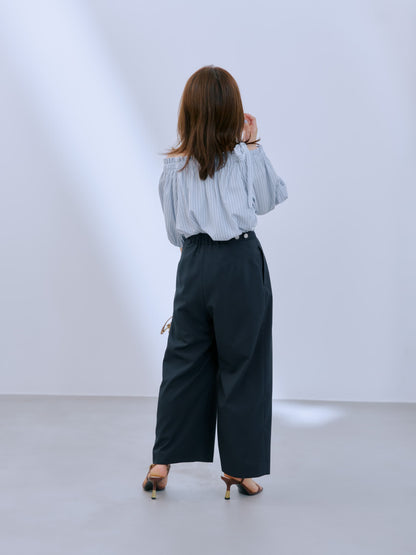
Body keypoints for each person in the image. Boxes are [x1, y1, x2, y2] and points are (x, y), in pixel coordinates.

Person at [142, 65, 288, 500]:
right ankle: (239, 470)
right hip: (239, 263)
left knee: (184, 361)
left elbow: (174, 233)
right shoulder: (242, 158)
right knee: (243, 364)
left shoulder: (174, 166)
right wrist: (253, 144)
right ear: (231, 110)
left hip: (194, 264)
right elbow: (270, 200)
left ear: (188, 111)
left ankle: (161, 462)